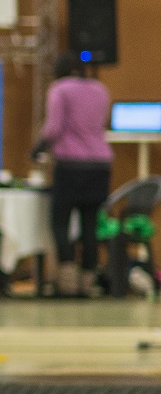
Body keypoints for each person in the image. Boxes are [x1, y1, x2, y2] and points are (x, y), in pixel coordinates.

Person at [36, 54, 113, 297]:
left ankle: (67, 282)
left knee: (60, 221)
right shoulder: (100, 90)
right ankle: (88, 283)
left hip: (70, 165)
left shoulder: (59, 89)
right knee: (90, 225)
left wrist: (38, 147)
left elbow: (54, 128)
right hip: (100, 165)